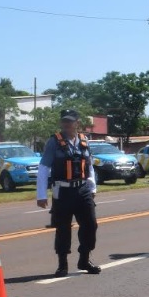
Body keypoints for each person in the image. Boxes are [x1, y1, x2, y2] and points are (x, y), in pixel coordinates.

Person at [36, 109, 101, 277]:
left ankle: (84, 259)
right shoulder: (54, 142)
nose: (66, 124)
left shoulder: (84, 140)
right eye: (64, 121)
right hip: (62, 191)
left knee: (91, 225)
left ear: (77, 123)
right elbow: (44, 168)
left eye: (70, 121)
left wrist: (92, 187)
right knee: (63, 228)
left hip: (82, 189)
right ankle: (62, 264)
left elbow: (89, 166)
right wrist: (41, 195)